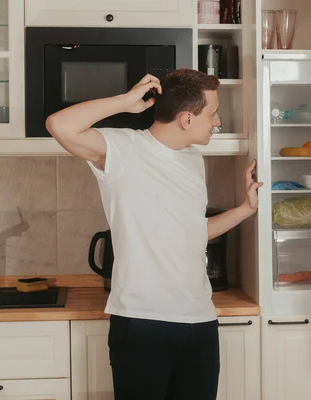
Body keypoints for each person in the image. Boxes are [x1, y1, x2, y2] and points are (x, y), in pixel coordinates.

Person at [45, 69, 263, 400]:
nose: (218, 122)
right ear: (187, 119)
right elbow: (58, 125)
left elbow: (191, 233)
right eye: (213, 114)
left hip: (200, 321)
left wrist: (246, 209)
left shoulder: (192, 159)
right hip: (142, 324)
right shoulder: (122, 149)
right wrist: (125, 102)